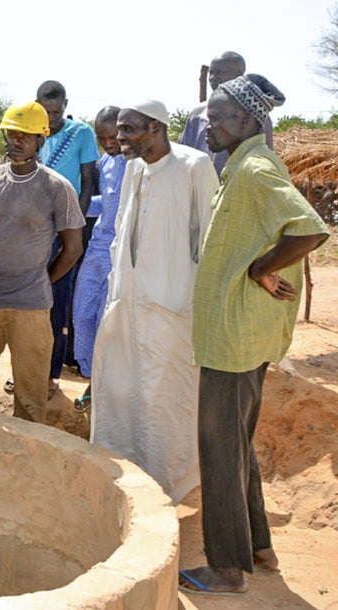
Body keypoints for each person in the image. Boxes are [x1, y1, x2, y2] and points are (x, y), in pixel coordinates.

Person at [180, 74, 328, 597]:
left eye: (217, 117)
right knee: (234, 443)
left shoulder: (257, 167)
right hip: (237, 333)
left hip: (234, 339)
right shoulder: (243, 165)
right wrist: (260, 266)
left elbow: (309, 228)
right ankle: (260, 548)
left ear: (247, 121)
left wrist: (259, 268)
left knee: (219, 447)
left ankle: (225, 569)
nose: (208, 124)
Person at [89, 100, 219, 504]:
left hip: (174, 306)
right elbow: (122, 233)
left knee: (168, 399)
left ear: (156, 128)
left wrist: (198, 301)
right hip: (129, 302)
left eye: (129, 130)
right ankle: (128, 480)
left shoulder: (195, 165)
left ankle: (168, 487)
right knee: (123, 390)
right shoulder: (132, 169)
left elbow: (211, 239)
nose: (121, 137)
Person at [0, 102, 83, 423]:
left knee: (30, 397)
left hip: (31, 306)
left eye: (25, 136)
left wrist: (41, 278)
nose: (16, 141)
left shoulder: (57, 188)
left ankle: (25, 465)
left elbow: (72, 249)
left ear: (41, 139)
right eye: (11, 134)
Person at [35, 80, 99, 398]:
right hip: (33, 229)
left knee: (57, 299)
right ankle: (27, 371)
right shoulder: (31, 129)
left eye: (56, 111)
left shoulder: (81, 133)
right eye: (45, 112)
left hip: (64, 229)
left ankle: (49, 375)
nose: (50, 118)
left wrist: (75, 226)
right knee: (29, 301)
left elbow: (88, 183)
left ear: (65, 105)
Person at [70, 106, 125, 412]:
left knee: (109, 321)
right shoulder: (103, 164)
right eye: (102, 138)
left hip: (124, 252)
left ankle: (100, 388)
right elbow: (103, 203)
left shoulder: (141, 165)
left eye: (113, 136)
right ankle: (91, 374)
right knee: (83, 313)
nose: (109, 143)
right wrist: (70, 203)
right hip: (98, 247)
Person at [179, 51, 277, 177]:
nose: (213, 78)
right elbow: (184, 152)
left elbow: (263, 155)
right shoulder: (197, 113)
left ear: (239, 75)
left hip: (236, 184)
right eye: (211, 73)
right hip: (198, 186)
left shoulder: (256, 116)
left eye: (219, 72)